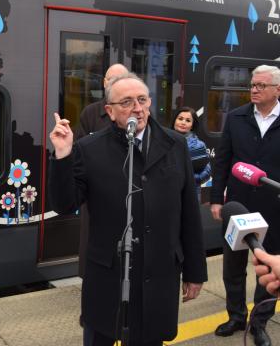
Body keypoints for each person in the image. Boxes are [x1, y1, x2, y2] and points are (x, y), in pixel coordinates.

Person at [49, 73, 207, 345]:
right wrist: (62, 156)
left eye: (142, 100)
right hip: (108, 275)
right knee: (100, 336)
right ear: (109, 111)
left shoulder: (175, 144)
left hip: (159, 274)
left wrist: (195, 272)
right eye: (126, 102)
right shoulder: (89, 148)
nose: (137, 108)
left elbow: (189, 213)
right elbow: (65, 204)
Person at [210, 65, 280, 346]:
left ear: (278, 89)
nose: (254, 89)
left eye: (261, 85)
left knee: (268, 267)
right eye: (252, 84)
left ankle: (259, 323)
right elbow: (222, 161)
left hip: (274, 209)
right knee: (233, 266)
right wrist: (217, 199)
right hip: (238, 207)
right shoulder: (236, 118)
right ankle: (236, 316)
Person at [75, 64, 129, 280]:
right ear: (104, 83)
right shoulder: (91, 112)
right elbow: (79, 148)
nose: (113, 83)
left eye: (120, 78)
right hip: (96, 191)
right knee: (92, 238)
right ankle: (91, 278)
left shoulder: (135, 113)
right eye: (110, 79)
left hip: (125, 190)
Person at [171, 107, 211, 201]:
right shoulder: (163, 141)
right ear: (174, 121)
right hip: (168, 192)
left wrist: (188, 179)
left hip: (191, 193)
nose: (183, 122)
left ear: (192, 125)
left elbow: (207, 172)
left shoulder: (199, 145)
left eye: (188, 120)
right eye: (180, 119)